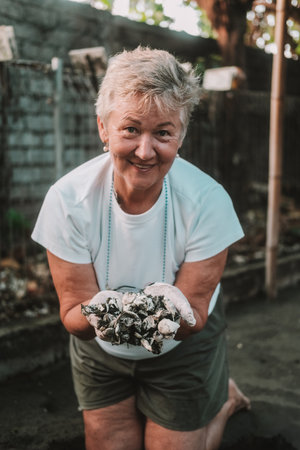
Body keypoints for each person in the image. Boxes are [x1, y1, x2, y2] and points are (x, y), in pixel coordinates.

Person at [32, 46, 250, 450]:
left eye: (163, 133)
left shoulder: (208, 202)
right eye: (130, 129)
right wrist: (110, 314)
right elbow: (73, 311)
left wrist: (163, 313)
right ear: (103, 127)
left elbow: (194, 316)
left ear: (181, 134)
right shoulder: (68, 200)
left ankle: (220, 404)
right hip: (100, 350)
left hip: (185, 347)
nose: (146, 151)